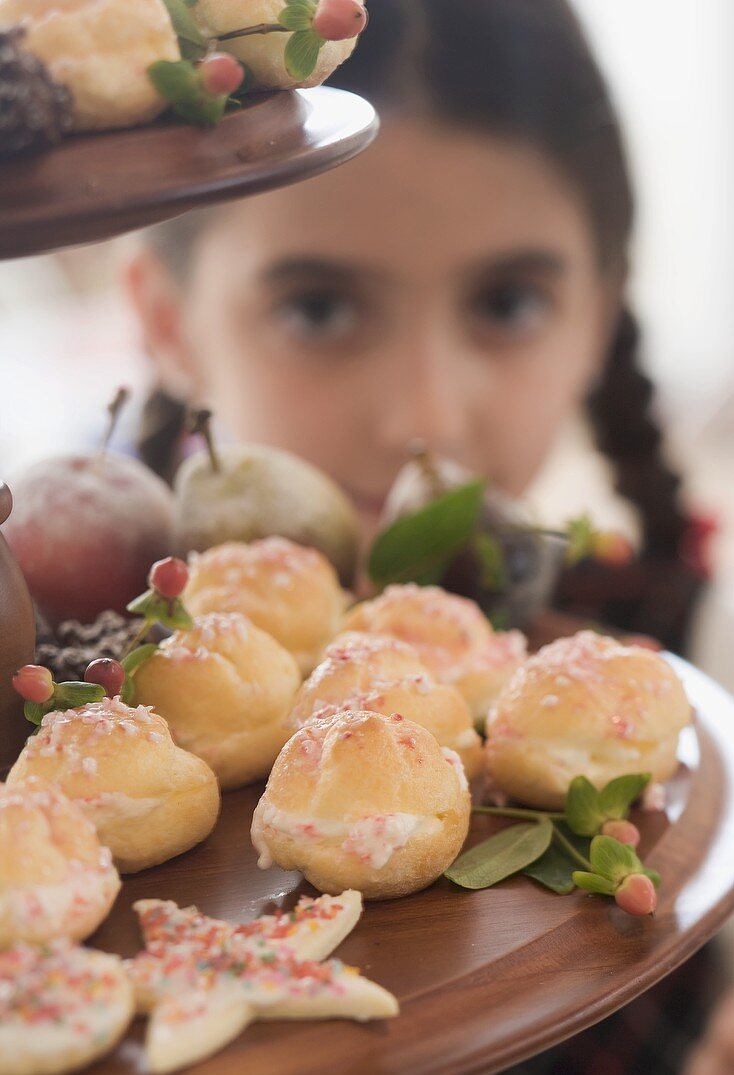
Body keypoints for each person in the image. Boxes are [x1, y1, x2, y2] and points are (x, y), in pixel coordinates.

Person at [127, 0, 709, 656]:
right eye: (317, 310)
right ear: (168, 324)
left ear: (599, 318)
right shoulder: (46, 699)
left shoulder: (705, 671)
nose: (425, 423)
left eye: (508, 305)